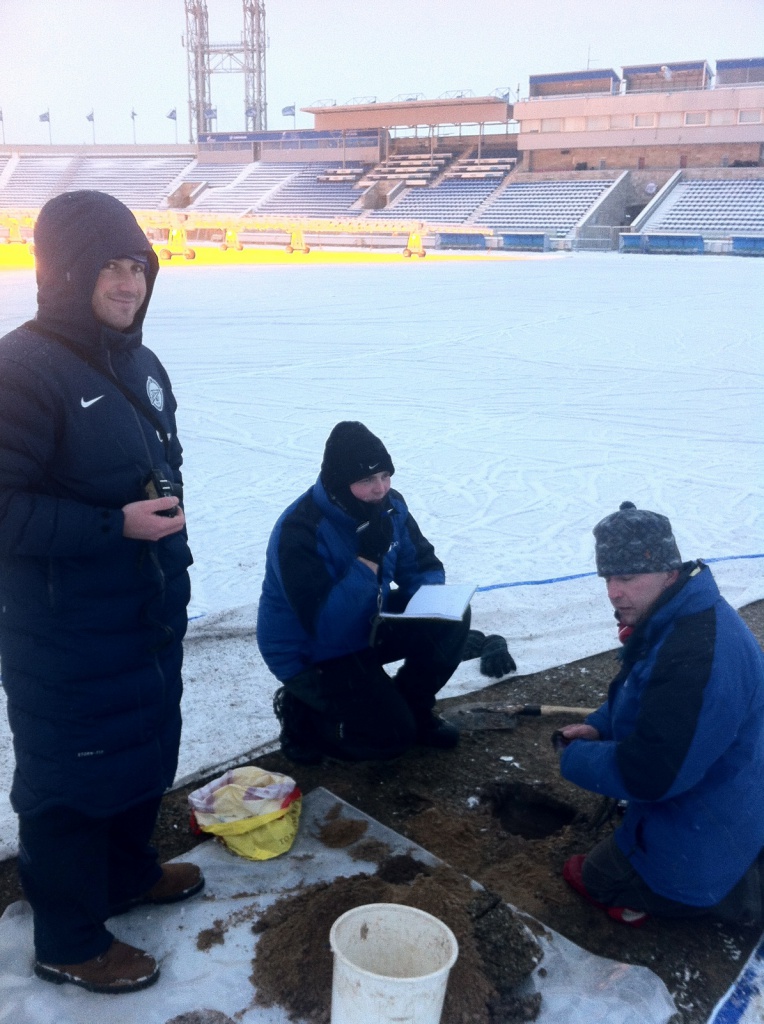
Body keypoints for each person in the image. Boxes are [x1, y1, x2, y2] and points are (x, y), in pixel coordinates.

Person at [0, 191, 201, 993]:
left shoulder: (139, 363)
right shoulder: (21, 371)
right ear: (65, 273)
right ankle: (69, 941)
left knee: (141, 754)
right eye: (107, 267)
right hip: (64, 632)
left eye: (136, 266)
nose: (127, 284)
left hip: (142, 617)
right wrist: (112, 527)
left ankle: (128, 875)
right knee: (72, 782)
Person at [556, 501, 764, 927]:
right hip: (732, 789)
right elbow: (642, 693)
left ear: (668, 571)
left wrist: (573, 758)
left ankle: (721, 898)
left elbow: (652, 775)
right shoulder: (682, 614)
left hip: (705, 820)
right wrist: (600, 725)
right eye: (609, 578)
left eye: (628, 577)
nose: (614, 591)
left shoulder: (694, 655)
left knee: (592, 877)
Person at [257, 421, 515, 764]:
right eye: (366, 480)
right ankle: (305, 718)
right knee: (387, 740)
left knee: (451, 617)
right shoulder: (300, 530)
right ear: (339, 483)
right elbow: (326, 626)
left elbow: (421, 564)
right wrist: (367, 559)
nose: (380, 489)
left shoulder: (390, 506)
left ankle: (413, 707)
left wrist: (431, 607)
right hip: (311, 651)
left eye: (385, 476)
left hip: (365, 622)